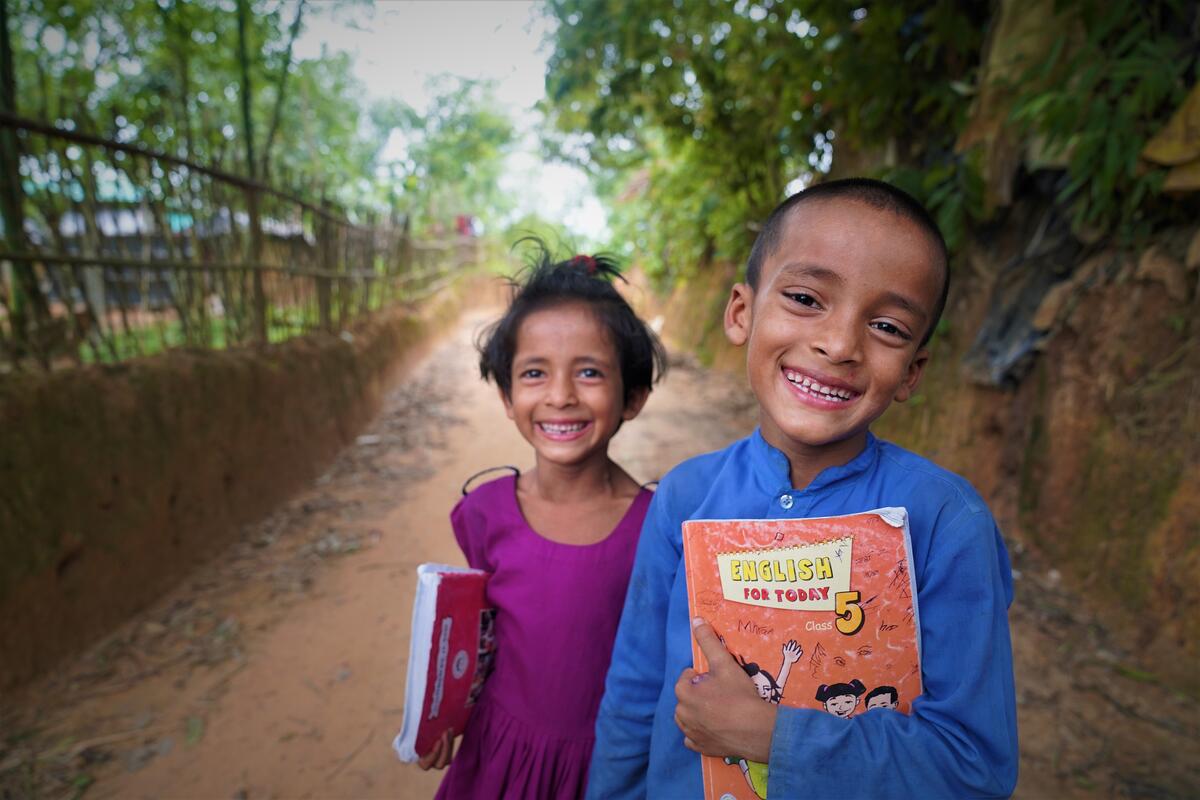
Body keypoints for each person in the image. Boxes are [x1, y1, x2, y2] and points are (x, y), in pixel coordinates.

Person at [586, 178, 1018, 799]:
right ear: (741, 312)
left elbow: (973, 767)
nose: (839, 344)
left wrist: (772, 737)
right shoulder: (684, 498)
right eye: (805, 298)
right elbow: (633, 694)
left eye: (889, 328)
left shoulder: (946, 523)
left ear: (912, 372)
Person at [420, 243, 668, 799]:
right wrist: (444, 715)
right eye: (534, 373)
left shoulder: (657, 528)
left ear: (632, 396)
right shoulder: (484, 512)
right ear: (507, 395)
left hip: (606, 769)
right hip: (498, 759)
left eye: (588, 372)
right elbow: (479, 639)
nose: (560, 396)